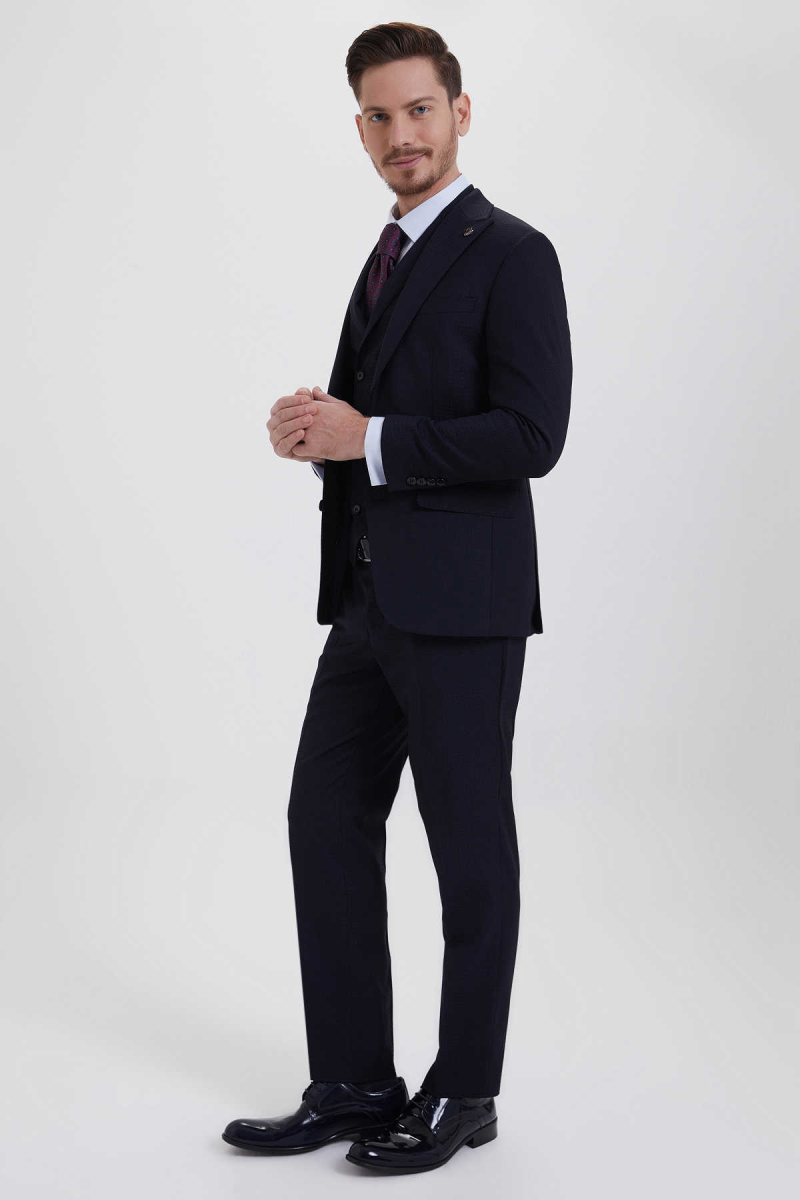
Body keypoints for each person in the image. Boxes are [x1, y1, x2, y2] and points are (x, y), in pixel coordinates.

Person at [222, 20, 572, 1175]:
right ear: (360, 127)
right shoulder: (387, 256)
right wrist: (317, 438)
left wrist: (366, 438)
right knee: (322, 820)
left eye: (418, 109)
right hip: (366, 601)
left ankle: (463, 1092)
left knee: (467, 848)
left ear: (458, 113)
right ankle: (354, 1081)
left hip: (464, 606)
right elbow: (371, 429)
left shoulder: (511, 253)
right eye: (377, 116)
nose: (399, 134)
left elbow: (530, 435)